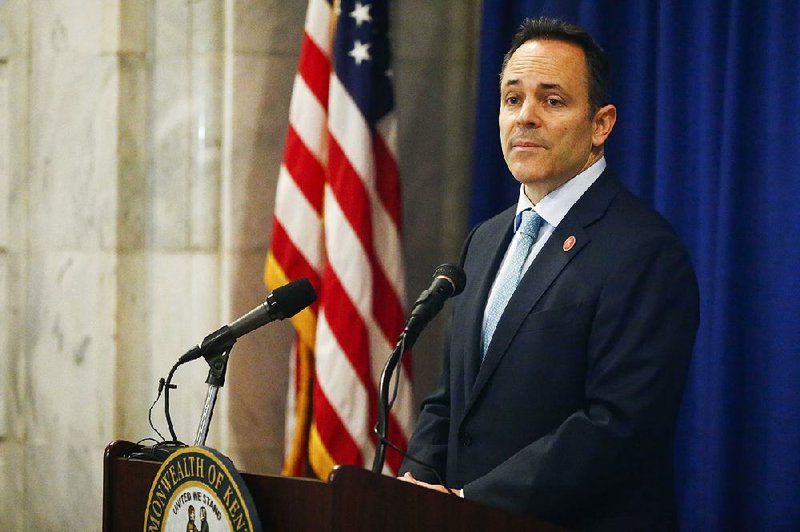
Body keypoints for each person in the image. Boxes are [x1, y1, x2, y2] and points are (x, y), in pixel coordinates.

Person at [398, 16, 699, 531]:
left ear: (601, 124)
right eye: (512, 99)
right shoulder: (485, 240)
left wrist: (470, 500)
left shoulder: (646, 251)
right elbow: (451, 399)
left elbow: (617, 426)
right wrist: (415, 488)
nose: (525, 117)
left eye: (552, 101)